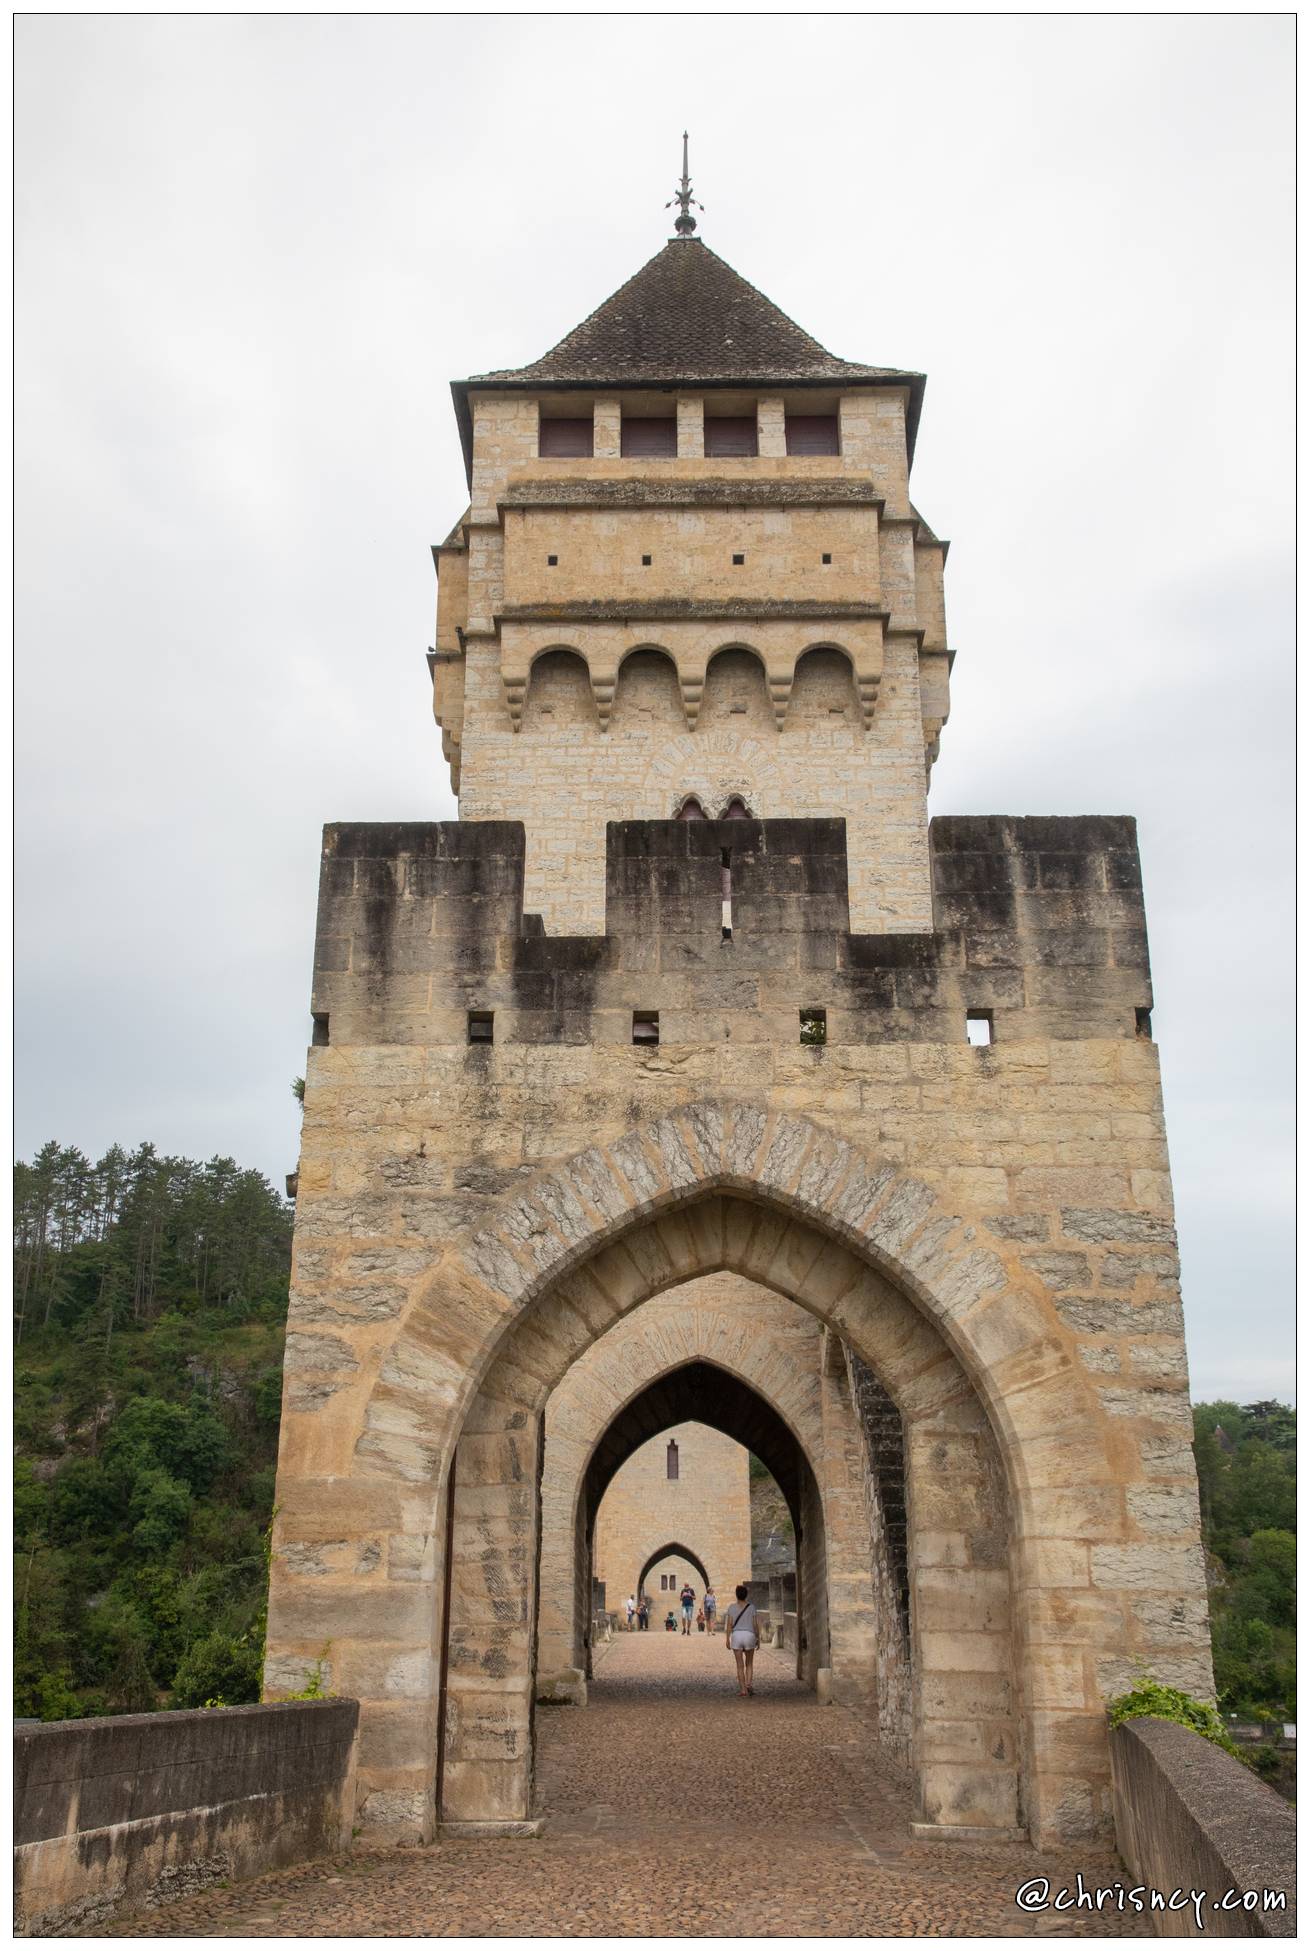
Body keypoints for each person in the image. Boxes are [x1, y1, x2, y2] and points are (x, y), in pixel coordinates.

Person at [724, 1582, 759, 1697]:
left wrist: (727, 1639)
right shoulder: (752, 1607)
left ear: (736, 1595)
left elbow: (729, 1624)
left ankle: (743, 1690)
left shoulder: (732, 1607)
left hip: (737, 1635)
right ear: (746, 1595)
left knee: (740, 1665)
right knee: (749, 1663)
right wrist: (757, 1638)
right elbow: (755, 1624)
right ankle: (749, 1684)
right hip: (749, 1635)